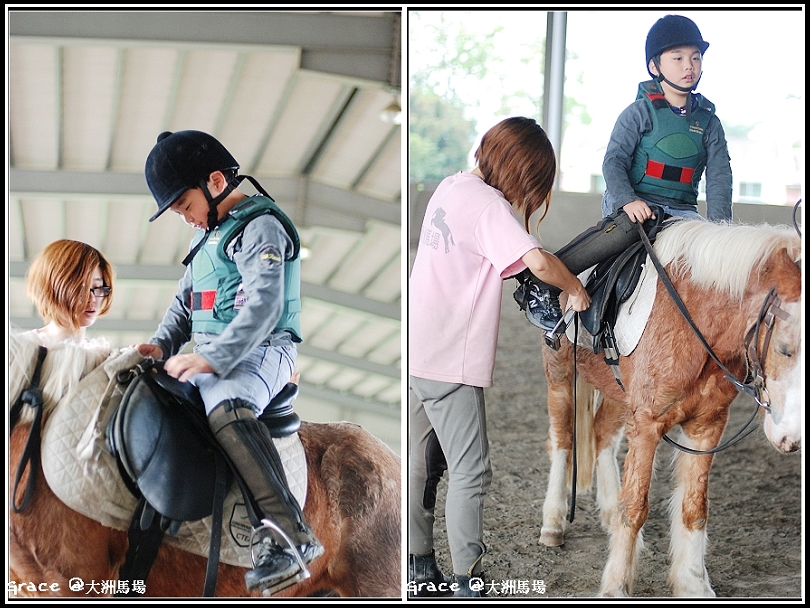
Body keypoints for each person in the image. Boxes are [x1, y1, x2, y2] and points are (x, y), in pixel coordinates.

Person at [133, 130, 322, 596]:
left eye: (184, 206)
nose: (185, 219)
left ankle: (288, 536)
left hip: (265, 348)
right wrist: (160, 347)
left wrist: (212, 358)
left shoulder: (260, 227)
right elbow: (184, 305)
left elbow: (264, 306)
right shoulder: (208, 240)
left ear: (215, 181)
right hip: (216, 353)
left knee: (226, 402)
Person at [408, 117, 590, 598]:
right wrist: (574, 287)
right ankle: (469, 580)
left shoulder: (452, 186)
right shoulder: (490, 208)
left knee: (418, 462)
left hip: (417, 348)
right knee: (471, 470)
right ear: (522, 172)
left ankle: (418, 565)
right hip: (451, 356)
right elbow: (537, 261)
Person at [518, 14, 732, 334]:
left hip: (683, 212)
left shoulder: (710, 122)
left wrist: (721, 229)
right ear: (654, 66)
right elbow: (614, 161)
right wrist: (627, 200)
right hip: (636, 206)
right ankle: (545, 280)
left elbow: (719, 177)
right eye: (678, 58)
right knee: (628, 230)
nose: (689, 66)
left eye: (696, 58)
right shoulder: (638, 113)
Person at [25, 239, 115, 348]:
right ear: (51, 289)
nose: (92, 299)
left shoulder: (101, 357)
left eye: (98, 287)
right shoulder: (21, 350)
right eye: (81, 289)